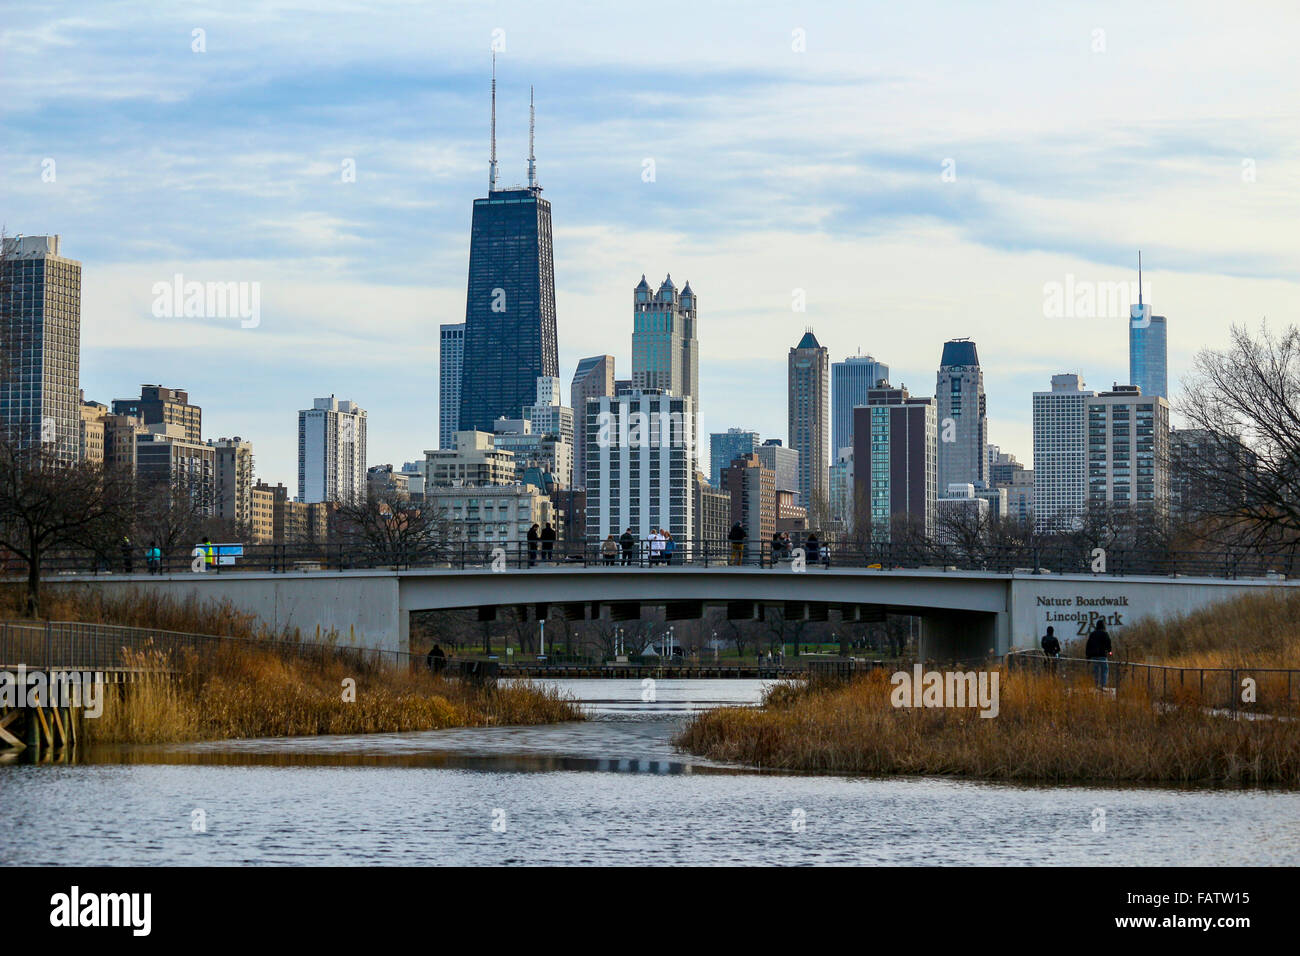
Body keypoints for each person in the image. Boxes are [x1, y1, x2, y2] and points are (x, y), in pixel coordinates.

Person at [1085, 619, 1112, 689]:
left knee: (1095, 671)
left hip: (1094, 656)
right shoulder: (1105, 633)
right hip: (1102, 655)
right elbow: (1108, 644)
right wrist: (1110, 651)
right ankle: (1103, 685)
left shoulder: (1093, 634)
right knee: (1104, 670)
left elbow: (1088, 645)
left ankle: (1096, 685)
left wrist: (1088, 655)